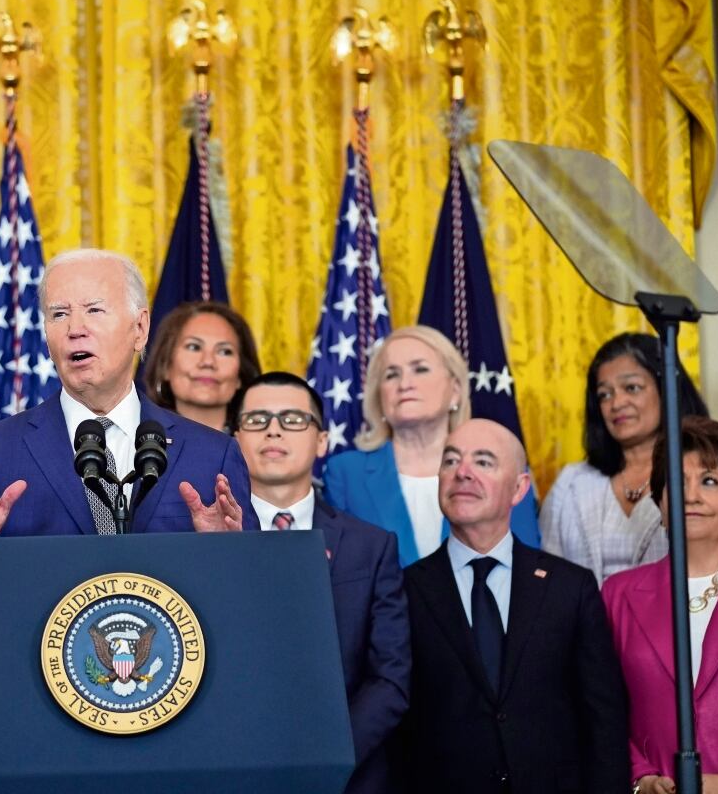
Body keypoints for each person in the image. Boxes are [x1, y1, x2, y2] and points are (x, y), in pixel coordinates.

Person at [0, 248, 257, 539]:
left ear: (140, 329)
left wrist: (228, 552)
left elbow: (257, 591)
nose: (75, 329)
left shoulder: (213, 456)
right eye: (59, 314)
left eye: (94, 310)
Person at [402, 419, 630, 793]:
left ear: (519, 488)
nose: (462, 473)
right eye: (451, 461)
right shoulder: (405, 589)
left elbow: (603, 721)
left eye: (484, 461)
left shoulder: (570, 588)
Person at [230, 372, 408, 794]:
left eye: (293, 419)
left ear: (322, 441)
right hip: (233, 768)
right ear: (233, 438)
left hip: (347, 775)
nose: (273, 429)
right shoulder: (204, 538)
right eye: (256, 420)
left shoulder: (371, 547)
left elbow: (391, 677)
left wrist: (327, 753)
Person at [321, 325, 540, 565]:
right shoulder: (345, 473)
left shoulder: (502, 469)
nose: (405, 384)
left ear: (455, 391)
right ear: (378, 396)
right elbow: (340, 573)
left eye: (420, 369)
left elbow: (524, 566)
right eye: (391, 374)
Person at [602, 416, 718, 792]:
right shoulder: (617, 595)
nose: (690, 495)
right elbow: (601, 709)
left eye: (709, 481)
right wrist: (639, 777)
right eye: (677, 482)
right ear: (660, 500)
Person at [542, 332, 709, 585]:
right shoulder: (571, 483)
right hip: (584, 624)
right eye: (604, 395)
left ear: (668, 391)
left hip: (676, 622)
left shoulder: (705, 474)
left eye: (631, 388)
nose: (617, 403)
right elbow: (548, 578)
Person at [143, 300, 261, 432]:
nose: (208, 362)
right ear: (165, 367)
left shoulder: (262, 446)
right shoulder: (135, 442)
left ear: (240, 375)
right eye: (194, 347)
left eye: (224, 351)